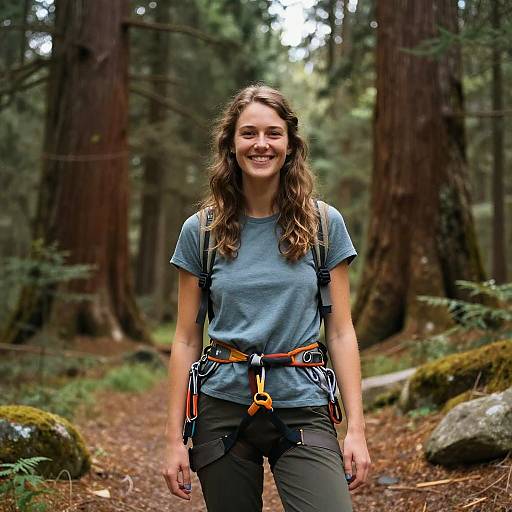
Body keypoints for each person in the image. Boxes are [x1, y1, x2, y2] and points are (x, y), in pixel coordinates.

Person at [162, 84, 371, 512]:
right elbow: (185, 339)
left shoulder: (323, 225)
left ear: (290, 144)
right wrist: (173, 441)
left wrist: (356, 431)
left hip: (302, 401)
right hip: (221, 405)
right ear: (231, 144)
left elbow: (342, 330)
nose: (261, 144)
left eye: (273, 133)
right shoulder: (200, 231)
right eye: (249, 133)